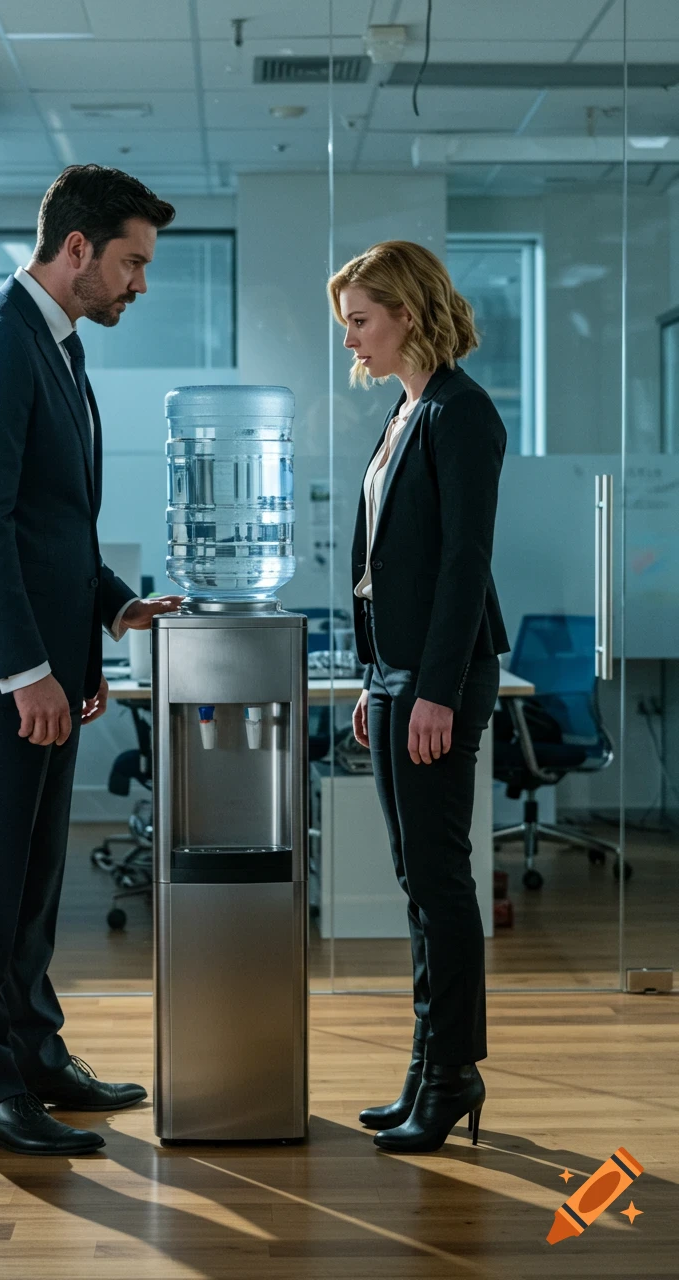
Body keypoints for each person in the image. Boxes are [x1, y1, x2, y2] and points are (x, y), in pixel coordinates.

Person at [0, 165, 183, 1156]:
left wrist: (109, 611)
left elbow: (52, 525)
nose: (138, 285)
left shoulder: (56, 348)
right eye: (130, 263)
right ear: (76, 249)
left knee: (31, 876)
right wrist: (25, 668)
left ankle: (33, 1053)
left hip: (47, 662)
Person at [327, 240, 509, 1154]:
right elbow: (382, 566)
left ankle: (452, 1073)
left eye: (361, 320)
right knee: (417, 880)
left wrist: (431, 690)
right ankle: (427, 1065)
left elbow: (463, 563)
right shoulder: (407, 412)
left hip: (442, 674)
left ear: (407, 312)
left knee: (438, 879)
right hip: (398, 675)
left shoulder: (460, 413)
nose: (351, 339)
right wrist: (376, 680)